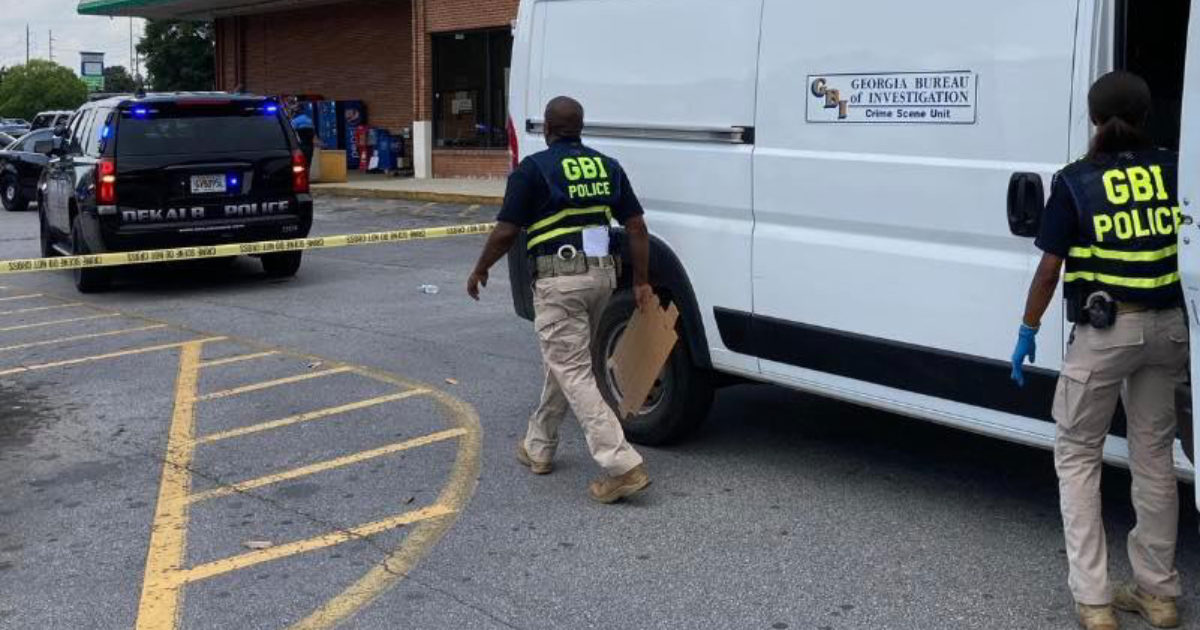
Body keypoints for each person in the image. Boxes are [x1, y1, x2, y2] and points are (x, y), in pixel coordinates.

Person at [1011, 71, 1186, 630]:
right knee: (1154, 458)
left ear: (1093, 118)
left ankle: (1095, 600)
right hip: (1170, 330)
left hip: (1106, 333)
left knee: (1077, 454)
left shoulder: (1077, 180)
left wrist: (1027, 328)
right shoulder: (1177, 169)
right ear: (1146, 115)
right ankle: (1159, 596)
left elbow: (1048, 269)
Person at [467, 96, 654, 503]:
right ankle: (539, 445)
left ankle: (621, 464)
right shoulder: (607, 166)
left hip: (559, 280)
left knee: (571, 368)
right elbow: (637, 226)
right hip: (602, 278)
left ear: (547, 129)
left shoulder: (533, 170)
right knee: (568, 362)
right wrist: (640, 281)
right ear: (580, 127)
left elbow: (505, 232)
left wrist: (481, 268)